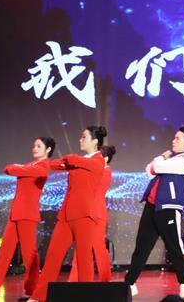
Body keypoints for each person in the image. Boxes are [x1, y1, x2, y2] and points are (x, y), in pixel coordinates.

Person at [29, 127, 108, 302]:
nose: (80, 139)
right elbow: (55, 164)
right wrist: (67, 161)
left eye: (84, 137)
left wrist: (70, 160)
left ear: (95, 141)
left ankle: (85, 297)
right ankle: (38, 296)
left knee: (84, 259)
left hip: (85, 215)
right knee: (52, 257)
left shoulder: (98, 160)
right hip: (65, 215)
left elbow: (73, 160)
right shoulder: (79, 161)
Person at [124, 127, 184, 300]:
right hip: (152, 206)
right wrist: (161, 161)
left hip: (169, 208)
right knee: (142, 247)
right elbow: (149, 170)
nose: (173, 141)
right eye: (174, 137)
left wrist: (162, 158)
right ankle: (129, 283)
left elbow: (156, 166)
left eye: (177, 138)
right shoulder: (172, 159)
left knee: (175, 247)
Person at [0, 137, 54, 302]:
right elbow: (8, 169)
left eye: (39, 146)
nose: (34, 148)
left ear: (48, 150)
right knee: (4, 252)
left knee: (29, 255)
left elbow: (12, 169)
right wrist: (17, 168)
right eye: (34, 145)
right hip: (16, 214)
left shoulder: (44, 166)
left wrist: (17, 167)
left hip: (27, 215)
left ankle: (33, 290)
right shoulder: (31, 165)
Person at [69, 145, 115, 282]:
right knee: (81, 248)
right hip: (86, 213)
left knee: (98, 249)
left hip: (97, 215)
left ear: (105, 159)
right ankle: (75, 281)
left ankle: (106, 280)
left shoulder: (106, 171)